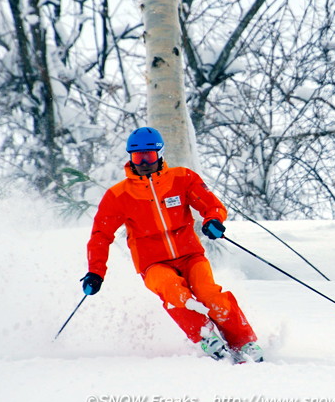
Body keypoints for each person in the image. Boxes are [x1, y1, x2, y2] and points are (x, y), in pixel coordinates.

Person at [81, 127, 264, 363]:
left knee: (209, 294)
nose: (144, 162)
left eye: (150, 156)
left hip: (190, 256)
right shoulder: (119, 196)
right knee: (174, 291)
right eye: (138, 157)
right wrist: (95, 272)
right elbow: (100, 235)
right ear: (130, 158)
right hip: (153, 264)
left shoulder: (182, 179)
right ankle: (206, 336)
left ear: (160, 155)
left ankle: (244, 342)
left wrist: (213, 220)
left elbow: (212, 205)